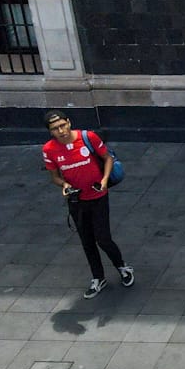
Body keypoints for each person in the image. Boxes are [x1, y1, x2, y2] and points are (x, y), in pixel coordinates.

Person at [41, 110, 134, 299]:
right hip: (77, 201)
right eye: (55, 129)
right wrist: (65, 185)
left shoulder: (87, 137)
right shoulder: (49, 150)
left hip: (98, 196)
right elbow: (55, 177)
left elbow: (107, 158)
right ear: (50, 132)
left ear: (68, 122)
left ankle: (122, 267)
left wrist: (105, 179)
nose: (61, 131)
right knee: (87, 241)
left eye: (63, 125)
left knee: (103, 239)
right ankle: (98, 277)